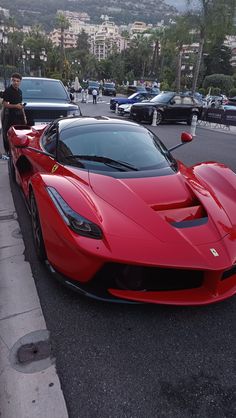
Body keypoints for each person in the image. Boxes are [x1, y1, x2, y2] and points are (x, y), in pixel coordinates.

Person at [2, 72, 27, 153]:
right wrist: (15, 106)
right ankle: (8, 152)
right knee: (8, 134)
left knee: (18, 133)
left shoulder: (20, 91)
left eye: (17, 81)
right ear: (11, 81)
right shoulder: (8, 91)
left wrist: (24, 116)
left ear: (20, 82)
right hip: (9, 116)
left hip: (19, 116)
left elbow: (20, 104)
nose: (15, 82)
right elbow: (5, 104)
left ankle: (16, 151)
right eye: (14, 80)